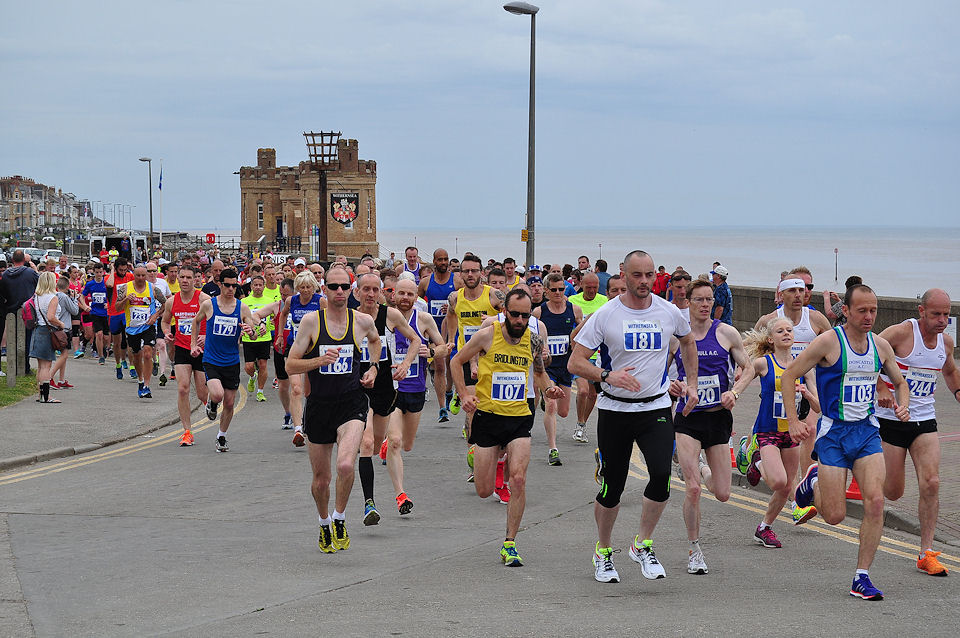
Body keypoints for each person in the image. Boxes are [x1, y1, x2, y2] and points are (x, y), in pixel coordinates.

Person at [568, 250, 698, 585]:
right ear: (624, 275)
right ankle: (603, 550)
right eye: (637, 276)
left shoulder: (668, 312)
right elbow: (575, 362)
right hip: (614, 410)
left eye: (649, 276)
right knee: (613, 488)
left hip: (654, 407)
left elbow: (688, 342)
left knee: (661, 476)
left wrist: (692, 383)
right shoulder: (607, 314)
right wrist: (607, 376)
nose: (643, 282)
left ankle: (642, 543)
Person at [784, 284, 911, 601]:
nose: (869, 317)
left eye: (874, 310)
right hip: (834, 434)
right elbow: (789, 376)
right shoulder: (828, 342)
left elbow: (899, 381)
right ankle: (812, 483)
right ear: (847, 311)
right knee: (835, 516)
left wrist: (902, 403)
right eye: (863, 311)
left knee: (876, 502)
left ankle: (861, 576)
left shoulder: (880, 347)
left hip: (866, 432)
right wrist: (795, 420)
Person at [451, 288, 562, 567]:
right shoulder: (487, 335)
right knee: (484, 491)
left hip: (519, 418)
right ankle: (481, 456)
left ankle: (509, 543)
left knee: (519, 480)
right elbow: (456, 361)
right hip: (488, 417)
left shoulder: (533, 341)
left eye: (525, 316)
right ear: (505, 312)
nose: (520, 320)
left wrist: (549, 388)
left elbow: (539, 372)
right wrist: (464, 394)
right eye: (515, 314)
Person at [285, 267, 381, 552]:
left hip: (351, 402)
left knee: (346, 464)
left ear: (351, 289)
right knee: (322, 479)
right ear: (324, 290)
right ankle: (324, 522)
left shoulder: (362, 321)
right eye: (333, 287)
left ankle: (340, 517)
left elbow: (375, 341)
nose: (339, 291)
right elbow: (291, 364)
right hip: (319, 407)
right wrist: (318, 361)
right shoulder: (313, 323)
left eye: (344, 286)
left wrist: (373, 368)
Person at [667, 279, 751, 575]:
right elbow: (658, 374)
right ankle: (694, 550)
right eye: (699, 299)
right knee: (692, 490)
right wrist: (671, 386)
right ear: (687, 301)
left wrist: (736, 392)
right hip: (688, 418)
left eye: (709, 300)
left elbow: (749, 368)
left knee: (723, 492)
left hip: (718, 418)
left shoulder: (726, 333)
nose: (705, 305)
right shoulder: (676, 336)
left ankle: (702, 469)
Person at [876, 288, 959, 576]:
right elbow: (865, 354)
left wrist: (958, 390)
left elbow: (948, 371)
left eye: (947, 314)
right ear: (921, 311)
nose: (942, 320)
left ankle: (926, 552)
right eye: (936, 314)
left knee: (932, 482)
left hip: (924, 420)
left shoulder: (946, 343)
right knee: (894, 492)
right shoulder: (900, 333)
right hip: (890, 420)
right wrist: (881, 386)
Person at [730, 317, 821, 549]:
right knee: (778, 480)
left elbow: (819, 406)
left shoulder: (804, 366)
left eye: (789, 330)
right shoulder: (764, 363)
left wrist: (807, 394)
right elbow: (744, 381)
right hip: (767, 430)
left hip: (792, 432)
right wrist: (733, 394)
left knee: (787, 486)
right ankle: (755, 459)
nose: (786, 333)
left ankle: (764, 528)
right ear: (771, 338)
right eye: (780, 331)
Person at [754, 275, 832, 523]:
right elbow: (751, 348)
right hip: (776, 389)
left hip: (805, 389)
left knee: (807, 431)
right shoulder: (769, 320)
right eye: (794, 290)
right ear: (782, 294)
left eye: (805, 289)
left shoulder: (817, 319)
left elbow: (835, 349)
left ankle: (800, 495)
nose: (800, 294)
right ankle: (758, 456)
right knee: (791, 435)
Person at [354, 273, 421, 526]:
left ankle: (380, 458)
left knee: (383, 440)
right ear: (357, 292)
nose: (370, 294)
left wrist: (405, 363)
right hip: (358, 386)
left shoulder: (389, 315)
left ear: (381, 292)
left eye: (375, 289)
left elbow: (415, 340)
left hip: (385, 386)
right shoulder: (350, 316)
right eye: (366, 290)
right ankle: (369, 503)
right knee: (367, 441)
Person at [382, 278, 447, 515]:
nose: (405, 298)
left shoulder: (423, 319)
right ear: (393, 294)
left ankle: (388, 442)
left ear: (416, 297)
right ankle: (401, 495)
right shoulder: (385, 318)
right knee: (397, 443)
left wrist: (429, 351)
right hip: (391, 390)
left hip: (416, 388)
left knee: (407, 445)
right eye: (401, 293)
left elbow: (442, 347)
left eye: (410, 294)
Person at [190, 269, 258, 451]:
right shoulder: (209, 305)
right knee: (218, 395)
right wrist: (193, 345)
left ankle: (221, 436)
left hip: (232, 361)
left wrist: (250, 332)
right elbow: (195, 321)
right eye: (227, 285)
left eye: (234, 285)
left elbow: (251, 330)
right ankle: (212, 403)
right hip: (211, 359)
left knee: (229, 403)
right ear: (220, 285)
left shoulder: (242, 307)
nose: (230, 289)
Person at [445, 254, 504, 440]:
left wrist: (494, 319)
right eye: (466, 271)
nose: (470, 274)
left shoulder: (494, 295)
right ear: (460, 274)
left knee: (493, 407)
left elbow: (512, 315)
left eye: (474, 271)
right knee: (473, 408)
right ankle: (474, 458)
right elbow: (451, 314)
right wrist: (452, 338)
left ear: (482, 273)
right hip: (466, 355)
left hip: (491, 358)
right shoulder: (455, 298)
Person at [533, 272, 583, 466]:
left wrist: (576, 344)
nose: (558, 293)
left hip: (566, 366)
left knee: (563, 412)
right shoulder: (539, 312)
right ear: (546, 292)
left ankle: (548, 403)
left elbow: (583, 333)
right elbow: (529, 336)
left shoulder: (574, 310)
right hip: (547, 368)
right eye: (553, 290)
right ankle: (553, 449)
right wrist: (540, 350)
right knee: (552, 405)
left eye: (561, 289)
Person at [161, 265, 210, 446]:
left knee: (202, 393)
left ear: (195, 280)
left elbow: (215, 319)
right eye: (182, 277)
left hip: (201, 349)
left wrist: (207, 336)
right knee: (183, 388)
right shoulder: (172, 301)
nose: (185, 281)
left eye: (189, 277)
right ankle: (187, 432)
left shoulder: (204, 300)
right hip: (182, 348)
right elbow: (165, 321)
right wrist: (167, 332)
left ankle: (209, 404)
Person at [274, 272, 325, 446]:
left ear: (314, 287)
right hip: (294, 348)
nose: (305, 291)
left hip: (314, 350)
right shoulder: (291, 301)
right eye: (302, 287)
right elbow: (282, 315)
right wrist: (280, 335)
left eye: (308, 287)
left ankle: (309, 420)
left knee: (310, 392)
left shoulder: (320, 301)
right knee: (296, 388)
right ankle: (297, 430)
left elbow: (329, 321)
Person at [419, 248, 463, 422]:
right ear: (434, 261)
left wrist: (452, 308)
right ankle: (442, 407)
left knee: (452, 364)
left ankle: (450, 389)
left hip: (453, 330)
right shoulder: (425, 283)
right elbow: (418, 303)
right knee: (439, 367)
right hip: (433, 331)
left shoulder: (457, 281)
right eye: (440, 260)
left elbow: (466, 302)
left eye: (446, 259)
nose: (444, 262)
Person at [567, 272, 608, 443]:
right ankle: (580, 424)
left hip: (598, 356)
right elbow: (571, 330)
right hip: (582, 354)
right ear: (581, 285)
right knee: (583, 390)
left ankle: (581, 424)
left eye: (595, 287)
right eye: (588, 287)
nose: (591, 291)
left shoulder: (604, 302)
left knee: (592, 395)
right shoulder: (573, 301)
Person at [116, 265, 167, 398]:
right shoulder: (125, 288)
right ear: (133, 275)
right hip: (132, 328)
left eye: (143, 275)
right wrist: (127, 299)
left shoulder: (153, 289)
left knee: (148, 353)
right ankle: (140, 380)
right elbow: (116, 307)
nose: (140, 278)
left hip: (148, 325)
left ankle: (147, 386)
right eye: (137, 275)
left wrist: (155, 316)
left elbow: (165, 304)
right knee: (137, 356)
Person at [0, 250, 40, 373]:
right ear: (24, 260)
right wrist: (35, 269)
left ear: (12, 260)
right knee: (26, 340)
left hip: (11, 310)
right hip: (27, 310)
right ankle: (25, 367)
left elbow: (3, 293)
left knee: (12, 340)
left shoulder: (6, 274)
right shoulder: (30, 273)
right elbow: (40, 286)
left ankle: (13, 365)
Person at [30, 272, 64, 403]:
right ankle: (46, 396)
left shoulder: (37, 297)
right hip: (47, 331)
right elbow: (50, 317)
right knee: (46, 366)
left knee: (40, 366)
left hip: (38, 329)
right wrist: (60, 323)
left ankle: (40, 394)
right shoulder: (52, 297)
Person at [240, 275, 274, 402]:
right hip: (249, 338)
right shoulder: (244, 302)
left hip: (264, 338)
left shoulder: (270, 301)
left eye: (260, 285)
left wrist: (269, 327)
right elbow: (241, 319)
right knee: (249, 367)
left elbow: (273, 319)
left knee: (263, 364)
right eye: (255, 285)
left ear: (264, 286)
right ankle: (253, 377)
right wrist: (242, 331)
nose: (258, 287)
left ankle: (260, 391)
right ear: (251, 286)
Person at [105, 258, 136, 381]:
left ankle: (132, 366)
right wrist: (112, 269)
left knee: (130, 340)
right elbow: (110, 285)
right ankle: (118, 365)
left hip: (127, 312)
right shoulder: (109, 277)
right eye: (120, 270)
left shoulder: (129, 276)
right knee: (117, 342)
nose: (123, 272)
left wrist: (132, 270)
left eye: (125, 270)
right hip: (114, 312)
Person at [48, 277, 80, 389]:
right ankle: (49, 377)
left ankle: (61, 380)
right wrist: (74, 299)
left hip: (56, 328)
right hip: (64, 329)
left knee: (63, 355)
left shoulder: (55, 296)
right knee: (65, 354)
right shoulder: (63, 297)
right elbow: (75, 310)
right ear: (67, 287)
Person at [81, 262, 110, 364]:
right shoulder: (90, 284)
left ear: (103, 272)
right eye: (97, 272)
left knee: (106, 337)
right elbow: (81, 296)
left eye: (100, 272)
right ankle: (100, 355)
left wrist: (109, 304)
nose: (98, 274)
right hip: (95, 312)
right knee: (99, 334)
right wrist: (85, 306)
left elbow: (113, 295)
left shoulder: (106, 283)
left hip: (106, 313)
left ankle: (105, 347)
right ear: (94, 272)